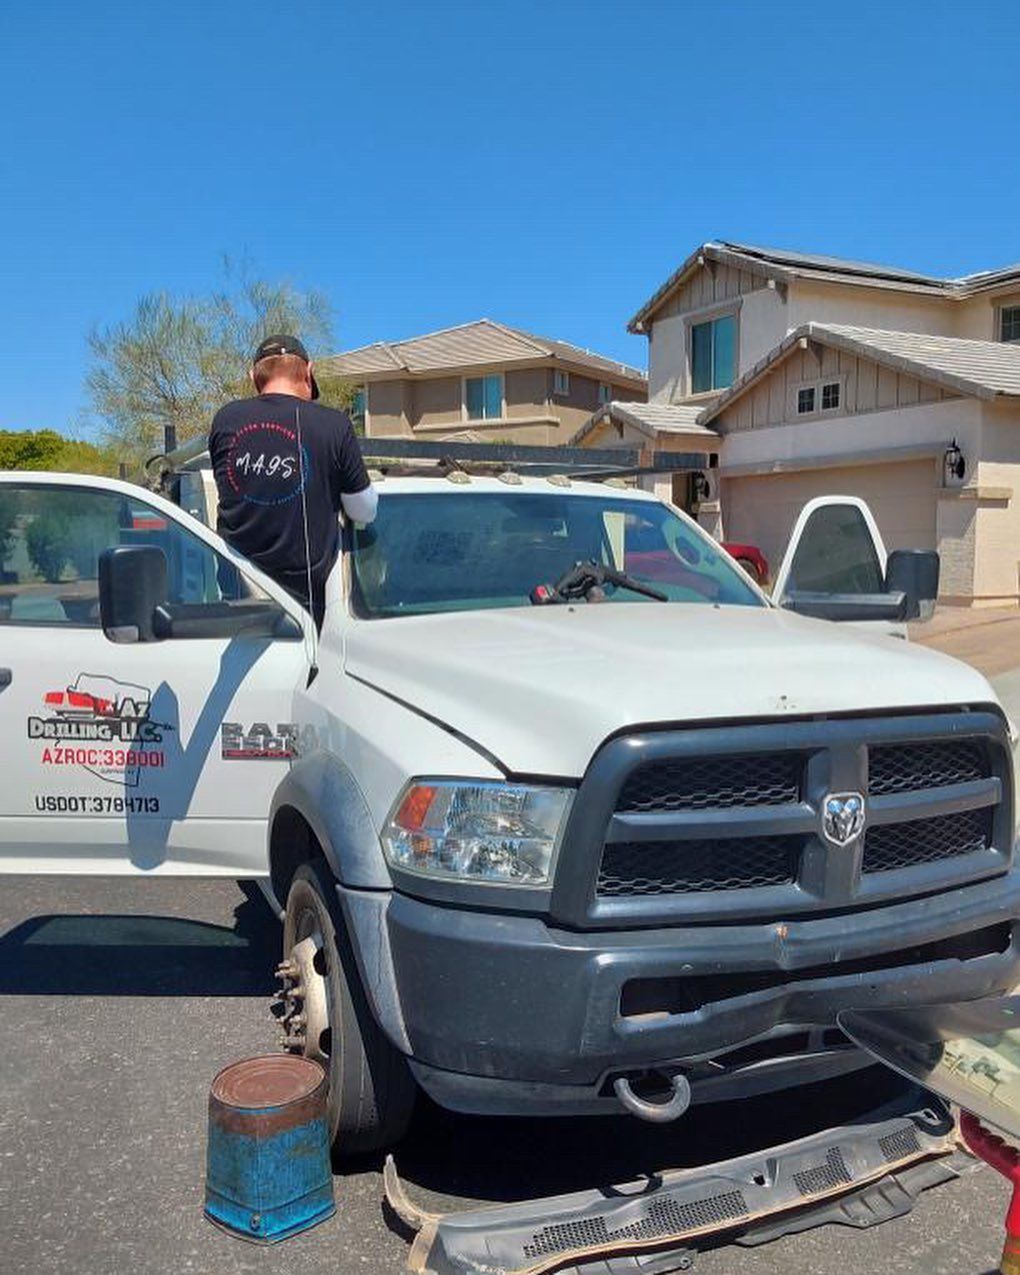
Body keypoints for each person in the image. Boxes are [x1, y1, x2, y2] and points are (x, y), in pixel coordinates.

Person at [209, 335, 377, 628]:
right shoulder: (334, 425)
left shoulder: (226, 419)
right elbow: (364, 511)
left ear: (253, 376)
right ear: (308, 371)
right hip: (307, 610)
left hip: (239, 600)